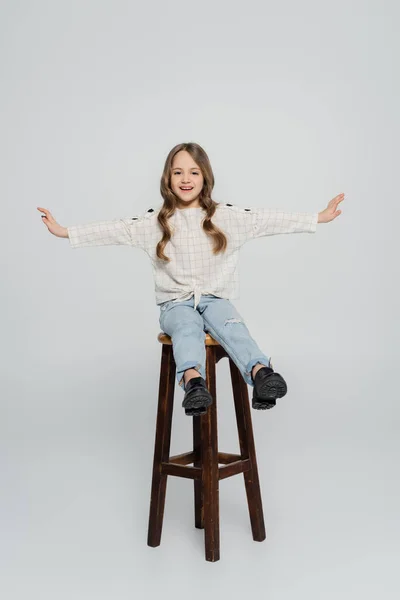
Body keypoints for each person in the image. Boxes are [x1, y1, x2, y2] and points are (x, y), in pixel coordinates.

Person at [37, 142, 344, 416]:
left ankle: (262, 372)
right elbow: (114, 229)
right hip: (176, 303)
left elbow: (267, 220)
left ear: (205, 178)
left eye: (193, 172)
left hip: (214, 299)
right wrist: (66, 231)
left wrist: (317, 217)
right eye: (178, 173)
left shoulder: (226, 217)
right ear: (167, 179)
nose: (186, 179)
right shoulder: (155, 222)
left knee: (233, 328)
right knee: (186, 329)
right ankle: (193, 381)